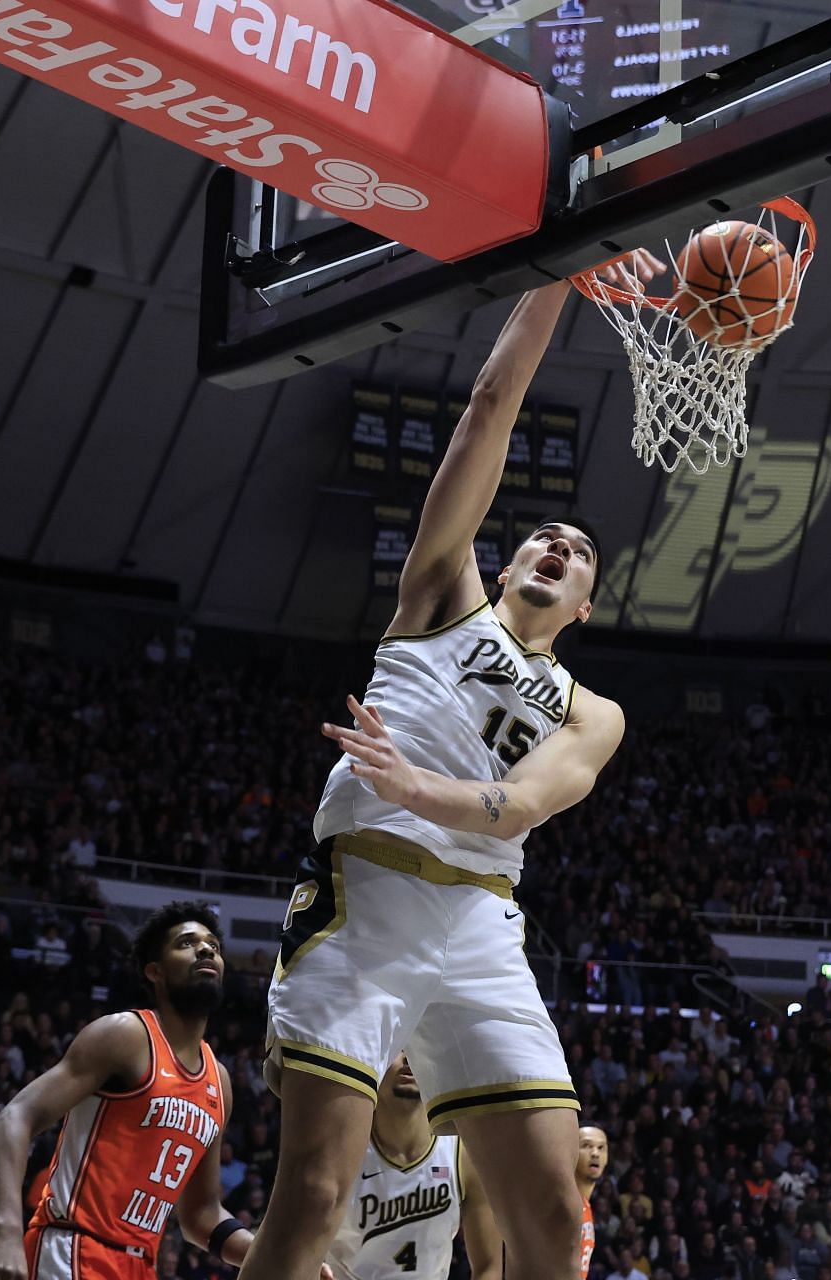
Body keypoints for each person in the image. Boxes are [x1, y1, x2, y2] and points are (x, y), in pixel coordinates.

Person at [247, 266, 660, 1280]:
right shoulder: (443, 591)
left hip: (479, 921)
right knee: (309, 1196)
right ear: (510, 557)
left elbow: (522, 802)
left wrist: (417, 785)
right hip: (365, 901)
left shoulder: (591, 711)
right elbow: (491, 402)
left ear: (586, 607)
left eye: (578, 553)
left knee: (555, 1215)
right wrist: (564, 270)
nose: (557, 545)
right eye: (543, 534)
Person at [0, 903, 280, 1280]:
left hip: (140, 1265)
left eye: (214, 946)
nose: (206, 950)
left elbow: (201, 1216)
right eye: (187, 943)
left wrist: (279, 1260)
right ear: (154, 971)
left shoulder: (219, 1082)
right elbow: (14, 1119)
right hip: (73, 1249)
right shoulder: (126, 1036)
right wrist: (5, 1233)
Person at [326, 1056, 502, 1280]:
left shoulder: (465, 1153)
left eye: (416, 1047)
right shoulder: (338, 1153)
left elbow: (489, 1268)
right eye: (398, 1046)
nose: (408, 1056)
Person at [574, 1127, 608, 1280]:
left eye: (601, 1148)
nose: (595, 1153)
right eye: (586, 1145)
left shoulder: (586, 1206)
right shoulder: (560, 1203)